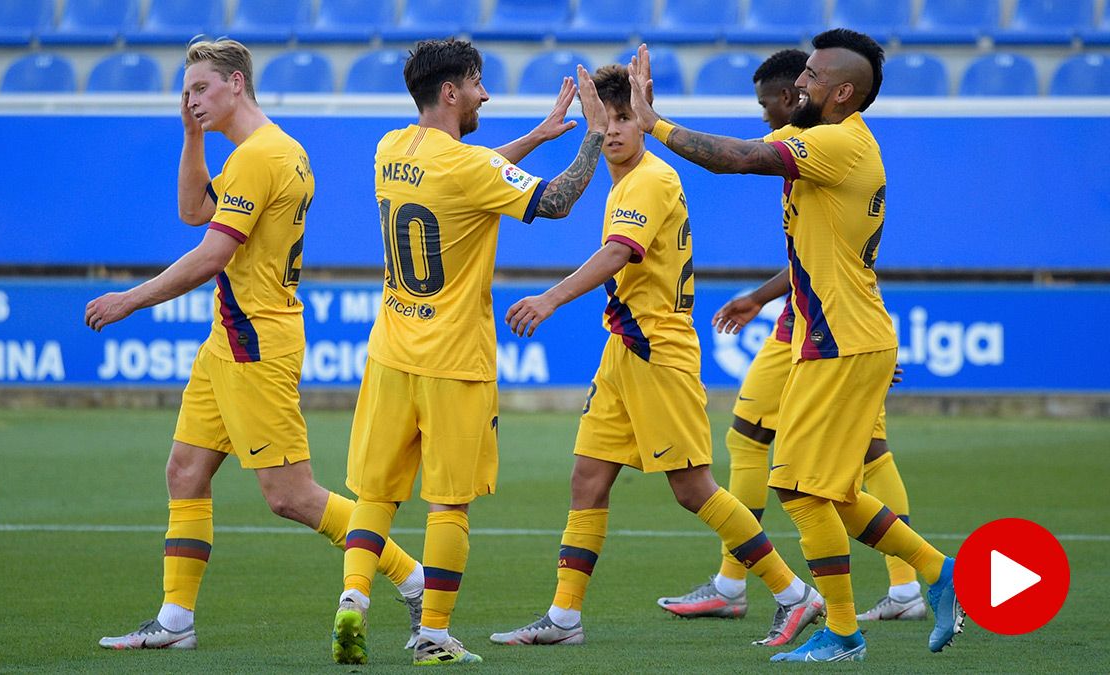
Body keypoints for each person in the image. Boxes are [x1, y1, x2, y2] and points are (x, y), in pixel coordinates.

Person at [626, 32, 964, 662]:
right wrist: (762, 296)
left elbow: (736, 159)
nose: (797, 86)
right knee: (825, 490)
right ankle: (935, 573)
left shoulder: (837, 142)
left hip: (843, 341)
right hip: (832, 337)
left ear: (842, 93)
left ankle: (843, 631)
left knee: (798, 487)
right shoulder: (817, 140)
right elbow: (765, 172)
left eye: (810, 76)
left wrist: (655, 124)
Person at [89, 38, 425, 651]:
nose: (192, 100)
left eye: (202, 89)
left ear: (236, 84)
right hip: (232, 337)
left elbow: (212, 252)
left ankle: (412, 578)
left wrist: (128, 299)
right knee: (185, 471)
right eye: (186, 92)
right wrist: (192, 135)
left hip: (255, 340)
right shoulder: (275, 149)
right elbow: (195, 210)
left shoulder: (258, 158)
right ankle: (175, 621)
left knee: (290, 496)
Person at [487, 64, 823, 652]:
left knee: (693, 489)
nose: (613, 129)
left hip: (657, 350)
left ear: (642, 120)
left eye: (624, 118)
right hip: (624, 348)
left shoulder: (647, 180)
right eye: (605, 118)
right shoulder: (626, 179)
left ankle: (795, 594)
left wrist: (550, 298)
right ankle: (564, 619)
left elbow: (619, 252)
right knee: (587, 480)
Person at [331, 38, 609, 667]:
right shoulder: (470, 168)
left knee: (376, 495)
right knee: (447, 502)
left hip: (389, 355)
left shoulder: (390, 149)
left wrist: (537, 138)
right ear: (451, 91)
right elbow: (555, 202)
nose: (486, 94)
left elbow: (469, 177)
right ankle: (432, 634)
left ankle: (354, 599)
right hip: (455, 361)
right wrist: (592, 135)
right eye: (479, 83)